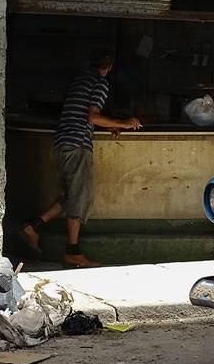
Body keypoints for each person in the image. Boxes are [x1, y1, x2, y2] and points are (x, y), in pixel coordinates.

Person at [19, 53, 142, 268]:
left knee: (69, 196)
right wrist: (124, 124)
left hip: (62, 143)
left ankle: (33, 227)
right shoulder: (100, 83)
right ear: (110, 66)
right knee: (79, 197)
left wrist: (109, 124)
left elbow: (85, 115)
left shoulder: (80, 81)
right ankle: (72, 252)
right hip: (77, 145)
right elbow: (92, 117)